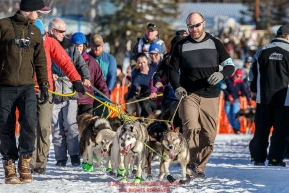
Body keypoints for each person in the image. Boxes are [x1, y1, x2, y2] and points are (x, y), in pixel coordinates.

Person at [168, 12, 235, 179]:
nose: (194, 29)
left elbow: (230, 66)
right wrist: (177, 87)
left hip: (210, 95)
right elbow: (172, 70)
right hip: (189, 94)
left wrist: (221, 75)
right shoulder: (181, 45)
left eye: (197, 25)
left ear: (203, 24)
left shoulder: (215, 43)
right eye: (190, 26)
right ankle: (189, 164)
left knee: (209, 135)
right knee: (190, 129)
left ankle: (200, 166)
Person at [0, 0, 51, 184]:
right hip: (4, 86)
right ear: (28, 11)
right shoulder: (3, 25)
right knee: (5, 127)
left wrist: (44, 84)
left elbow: (40, 61)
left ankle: (24, 161)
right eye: (39, 12)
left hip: (27, 87)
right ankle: (9, 164)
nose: (40, 15)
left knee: (30, 122)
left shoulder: (35, 31)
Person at [30, 20, 85, 175]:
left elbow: (66, 62)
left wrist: (77, 79)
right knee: (31, 128)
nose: (39, 39)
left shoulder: (51, 43)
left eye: (41, 36)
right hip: (28, 89)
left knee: (44, 127)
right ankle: (31, 162)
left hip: (47, 91)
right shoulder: (26, 43)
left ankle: (41, 163)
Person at [48, 18, 91, 167]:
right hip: (53, 92)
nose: (64, 34)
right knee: (57, 127)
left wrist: (85, 77)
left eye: (65, 31)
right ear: (52, 31)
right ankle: (60, 158)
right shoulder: (45, 45)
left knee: (71, 124)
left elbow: (81, 64)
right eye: (61, 31)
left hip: (69, 91)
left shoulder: (71, 47)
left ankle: (74, 155)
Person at [248, 25, 289, 167]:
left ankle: (257, 158)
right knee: (280, 130)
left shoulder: (262, 50)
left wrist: (253, 90)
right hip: (284, 98)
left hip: (263, 97)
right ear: (288, 36)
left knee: (261, 129)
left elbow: (252, 72)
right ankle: (274, 159)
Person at [70, 32, 110, 115]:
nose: (77, 49)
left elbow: (101, 82)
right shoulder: (66, 60)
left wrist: (107, 98)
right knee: (71, 125)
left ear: (84, 46)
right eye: (75, 46)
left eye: (80, 46)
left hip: (87, 100)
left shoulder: (92, 62)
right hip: (71, 98)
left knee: (86, 126)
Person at [88, 34, 117, 116]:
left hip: (102, 95)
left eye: (99, 46)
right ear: (90, 45)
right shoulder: (85, 57)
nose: (97, 49)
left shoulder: (110, 59)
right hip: (88, 95)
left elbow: (112, 76)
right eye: (94, 46)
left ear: (103, 44)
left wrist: (108, 92)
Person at [222, 69, 251, 134]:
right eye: (237, 76)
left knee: (235, 115)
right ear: (234, 74)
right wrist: (229, 96)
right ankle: (235, 128)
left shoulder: (241, 83)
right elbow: (223, 88)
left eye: (240, 77)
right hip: (227, 100)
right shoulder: (228, 80)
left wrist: (249, 101)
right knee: (229, 115)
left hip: (236, 100)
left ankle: (237, 129)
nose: (238, 78)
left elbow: (245, 92)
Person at [126, 53, 155, 117]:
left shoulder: (154, 68)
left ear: (147, 60)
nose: (142, 65)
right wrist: (127, 102)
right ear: (137, 63)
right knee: (145, 105)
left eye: (144, 62)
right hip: (147, 98)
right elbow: (132, 91)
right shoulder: (137, 78)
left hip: (158, 96)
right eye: (140, 63)